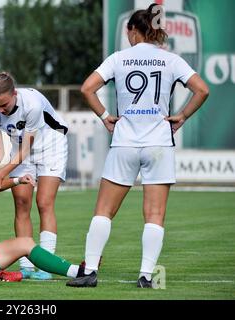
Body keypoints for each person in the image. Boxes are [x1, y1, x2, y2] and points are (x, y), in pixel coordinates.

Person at [66, 3, 209, 288]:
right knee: (154, 215)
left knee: (104, 211)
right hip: (159, 144)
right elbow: (202, 89)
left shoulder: (119, 58)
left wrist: (106, 117)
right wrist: (181, 115)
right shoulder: (170, 59)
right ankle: (146, 276)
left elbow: (86, 88)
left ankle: (90, 271)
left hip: (124, 142)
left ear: (133, 31)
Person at [0, 72, 69, 280]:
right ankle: (26, 264)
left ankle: (46, 266)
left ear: (14, 94)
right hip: (19, 149)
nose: (0, 110)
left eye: (4, 105)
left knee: (44, 202)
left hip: (51, 146)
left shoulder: (32, 104)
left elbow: (27, 148)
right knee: (21, 202)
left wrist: (1, 174)